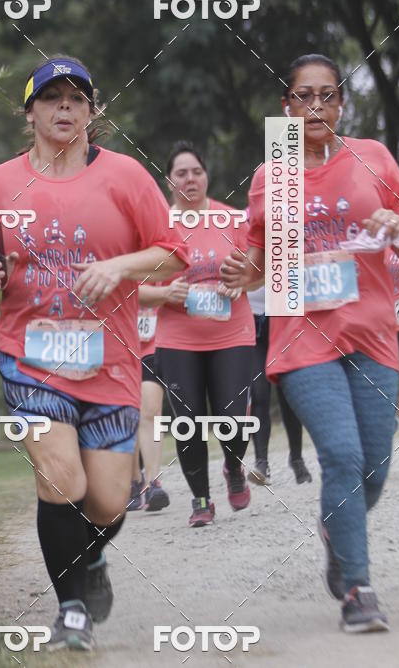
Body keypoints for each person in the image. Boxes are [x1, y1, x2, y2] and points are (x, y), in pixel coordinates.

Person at [0, 56, 187, 651]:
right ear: (30, 111)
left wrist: (119, 266)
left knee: (110, 499)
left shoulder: (127, 177)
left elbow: (173, 254)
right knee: (60, 477)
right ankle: (72, 612)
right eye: (52, 99)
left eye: (77, 99)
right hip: (31, 354)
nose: (65, 109)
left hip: (111, 359)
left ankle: (89, 562)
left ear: (92, 111)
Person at [220, 53, 399, 633]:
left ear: (342, 103)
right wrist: (242, 274)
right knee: (342, 456)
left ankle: (334, 528)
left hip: (374, 331)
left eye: (327, 95)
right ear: (287, 107)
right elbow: (258, 255)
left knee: (373, 467)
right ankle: (357, 589)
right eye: (304, 95)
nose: (316, 105)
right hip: (305, 339)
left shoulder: (374, 158)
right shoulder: (271, 172)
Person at [149, 141, 256, 527]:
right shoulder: (157, 226)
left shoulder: (233, 219)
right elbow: (133, 286)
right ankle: (201, 501)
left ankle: (234, 467)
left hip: (233, 331)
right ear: (168, 182)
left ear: (206, 176)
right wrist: (164, 292)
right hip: (178, 336)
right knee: (187, 419)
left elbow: (258, 270)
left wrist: (241, 282)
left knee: (232, 413)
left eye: (196, 171)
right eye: (181, 173)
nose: (190, 179)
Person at [247, 285, 312, 485]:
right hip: (251, 319)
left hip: (284, 318)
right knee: (259, 393)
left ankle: (296, 458)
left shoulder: (284, 251)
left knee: (288, 391)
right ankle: (261, 462)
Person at [127, 295, 170, 512]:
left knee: (151, 411)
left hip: (153, 345)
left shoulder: (163, 262)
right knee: (128, 414)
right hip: (119, 345)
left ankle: (153, 482)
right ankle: (134, 480)